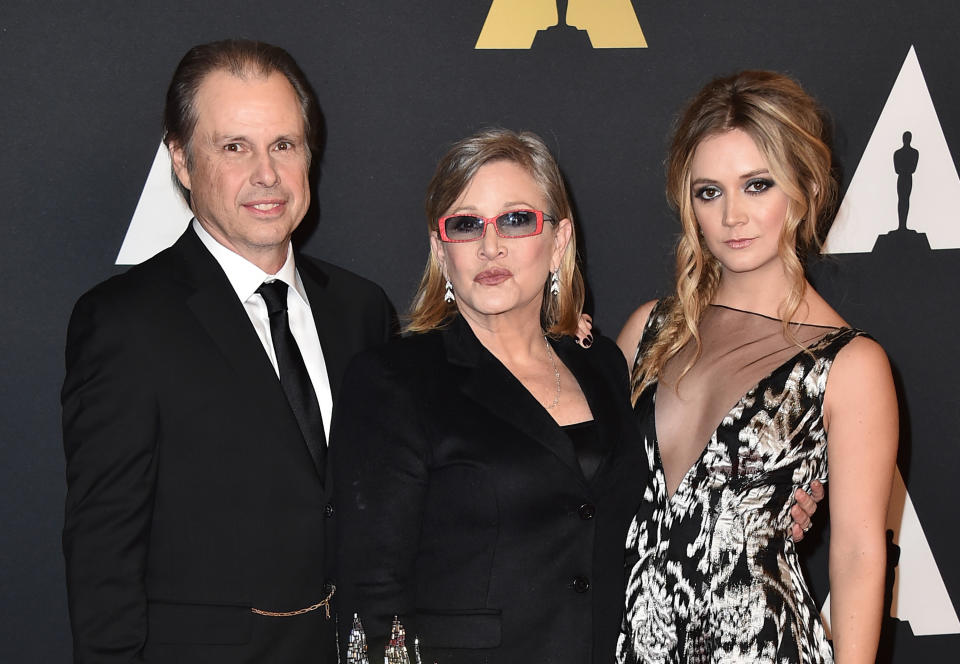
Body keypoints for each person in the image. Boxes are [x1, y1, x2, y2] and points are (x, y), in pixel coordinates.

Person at [61, 40, 394, 664]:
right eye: (234, 147)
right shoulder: (125, 322)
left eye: (284, 145)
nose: (266, 174)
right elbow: (103, 550)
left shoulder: (361, 310)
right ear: (182, 161)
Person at [332, 128, 648, 663]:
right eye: (466, 224)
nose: (490, 245)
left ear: (560, 240)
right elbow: (371, 591)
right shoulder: (395, 379)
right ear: (440, 247)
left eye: (517, 219)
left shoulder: (601, 364)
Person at [615, 70, 898, 663]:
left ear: (807, 189)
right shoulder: (649, 331)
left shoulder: (849, 365)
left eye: (757, 185)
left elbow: (856, 554)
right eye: (709, 191)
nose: (732, 216)